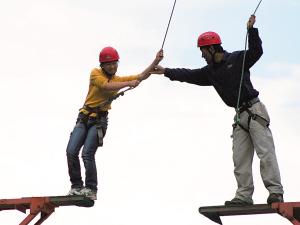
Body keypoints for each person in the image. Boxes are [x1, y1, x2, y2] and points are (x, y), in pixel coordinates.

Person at [152, 15, 284, 206]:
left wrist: (251, 30)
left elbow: (257, 51)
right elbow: (188, 75)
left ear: (212, 49)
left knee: (266, 153)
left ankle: (275, 192)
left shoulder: (238, 59)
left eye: (203, 51)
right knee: (240, 159)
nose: (202, 55)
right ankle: (244, 196)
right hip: (240, 116)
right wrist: (166, 72)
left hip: (255, 111)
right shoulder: (210, 72)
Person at [66, 46, 163, 200]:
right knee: (71, 151)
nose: (112, 66)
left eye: (114, 63)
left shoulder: (117, 79)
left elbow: (141, 76)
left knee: (87, 154)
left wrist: (155, 61)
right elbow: (105, 86)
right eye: (108, 64)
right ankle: (76, 186)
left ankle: (91, 189)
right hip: (84, 118)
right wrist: (128, 83)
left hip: (99, 121)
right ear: (102, 65)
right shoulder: (95, 73)